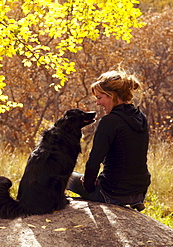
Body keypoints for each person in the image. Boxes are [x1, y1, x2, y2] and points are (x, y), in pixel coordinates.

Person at [67, 69, 151, 211]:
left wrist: (88, 186)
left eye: (100, 98)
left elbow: (94, 161)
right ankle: (135, 201)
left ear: (111, 96)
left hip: (112, 193)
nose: (98, 103)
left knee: (66, 176)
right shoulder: (140, 117)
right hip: (139, 191)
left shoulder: (109, 122)